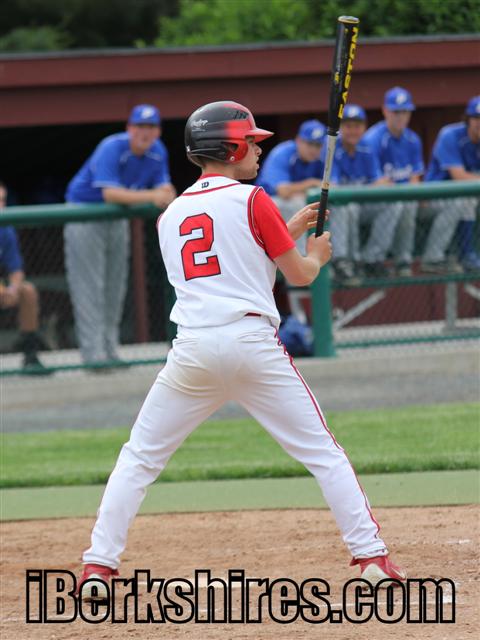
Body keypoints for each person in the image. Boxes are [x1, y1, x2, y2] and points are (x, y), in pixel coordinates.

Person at [76, 100, 405, 601]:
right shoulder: (254, 199)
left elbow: (232, 264)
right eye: (250, 141)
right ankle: (371, 558)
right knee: (324, 454)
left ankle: (98, 566)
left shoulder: (170, 215)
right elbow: (297, 275)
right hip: (252, 346)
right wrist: (315, 255)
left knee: (138, 458)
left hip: (192, 351)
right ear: (228, 147)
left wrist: (287, 232)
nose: (257, 149)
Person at [64, 104, 176, 367]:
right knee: (90, 287)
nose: (145, 133)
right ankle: (94, 356)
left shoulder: (158, 151)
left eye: (150, 127)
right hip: (85, 214)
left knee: (115, 286)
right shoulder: (112, 146)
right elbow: (110, 194)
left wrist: (163, 192)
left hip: (118, 219)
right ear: (129, 128)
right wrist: (153, 195)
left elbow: (166, 189)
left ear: (158, 131)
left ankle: (110, 351)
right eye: (140, 126)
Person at [361, 87, 424, 277]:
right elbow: (378, 182)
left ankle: (404, 261)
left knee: (407, 203)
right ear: (385, 111)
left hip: (403, 199)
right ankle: (373, 259)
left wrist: (411, 192)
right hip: (371, 201)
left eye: (405, 112)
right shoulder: (373, 139)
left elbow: (415, 177)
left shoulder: (412, 139)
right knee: (398, 202)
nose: (401, 117)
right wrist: (405, 192)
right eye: (396, 112)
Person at [325, 104, 389, 285]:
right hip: (334, 210)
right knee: (348, 206)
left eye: (357, 126)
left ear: (364, 127)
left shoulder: (367, 146)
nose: (353, 131)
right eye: (348, 126)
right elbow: (334, 188)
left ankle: (372, 259)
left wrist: (375, 186)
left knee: (394, 204)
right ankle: (342, 261)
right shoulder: (331, 145)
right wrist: (370, 188)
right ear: (340, 127)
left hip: (362, 205)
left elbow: (379, 182)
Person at [421, 95, 480, 273]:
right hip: (433, 198)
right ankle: (445, 256)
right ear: (468, 119)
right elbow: (459, 176)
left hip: (462, 202)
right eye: (476, 118)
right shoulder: (450, 135)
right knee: (464, 199)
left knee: (466, 199)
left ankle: (466, 255)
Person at [0, 182, 50, 374]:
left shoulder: (6, 228)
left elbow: (16, 269)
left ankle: (30, 355)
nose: (1, 205)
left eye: (3, 200)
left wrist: (12, 288)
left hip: (2, 287)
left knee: (27, 291)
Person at [256, 118, 326, 254]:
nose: (313, 149)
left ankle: (341, 259)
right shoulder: (283, 152)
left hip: (297, 201)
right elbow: (283, 191)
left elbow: (334, 186)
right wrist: (311, 183)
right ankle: (300, 255)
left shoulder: (322, 157)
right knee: (296, 204)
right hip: (267, 204)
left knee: (341, 207)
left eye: (318, 145)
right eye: (309, 144)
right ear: (298, 140)